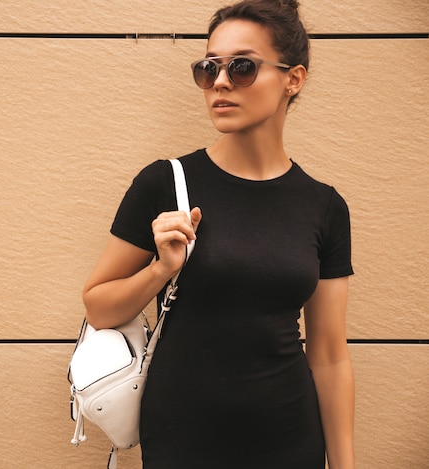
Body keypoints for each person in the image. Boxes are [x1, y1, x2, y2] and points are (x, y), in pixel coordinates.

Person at [82, 0, 355, 467]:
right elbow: (98, 306)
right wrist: (160, 270)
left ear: (293, 78)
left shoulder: (324, 206)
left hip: (289, 438)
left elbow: (329, 354)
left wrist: (345, 465)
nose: (221, 82)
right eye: (209, 68)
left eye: (242, 67)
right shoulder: (164, 183)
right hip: (183, 438)